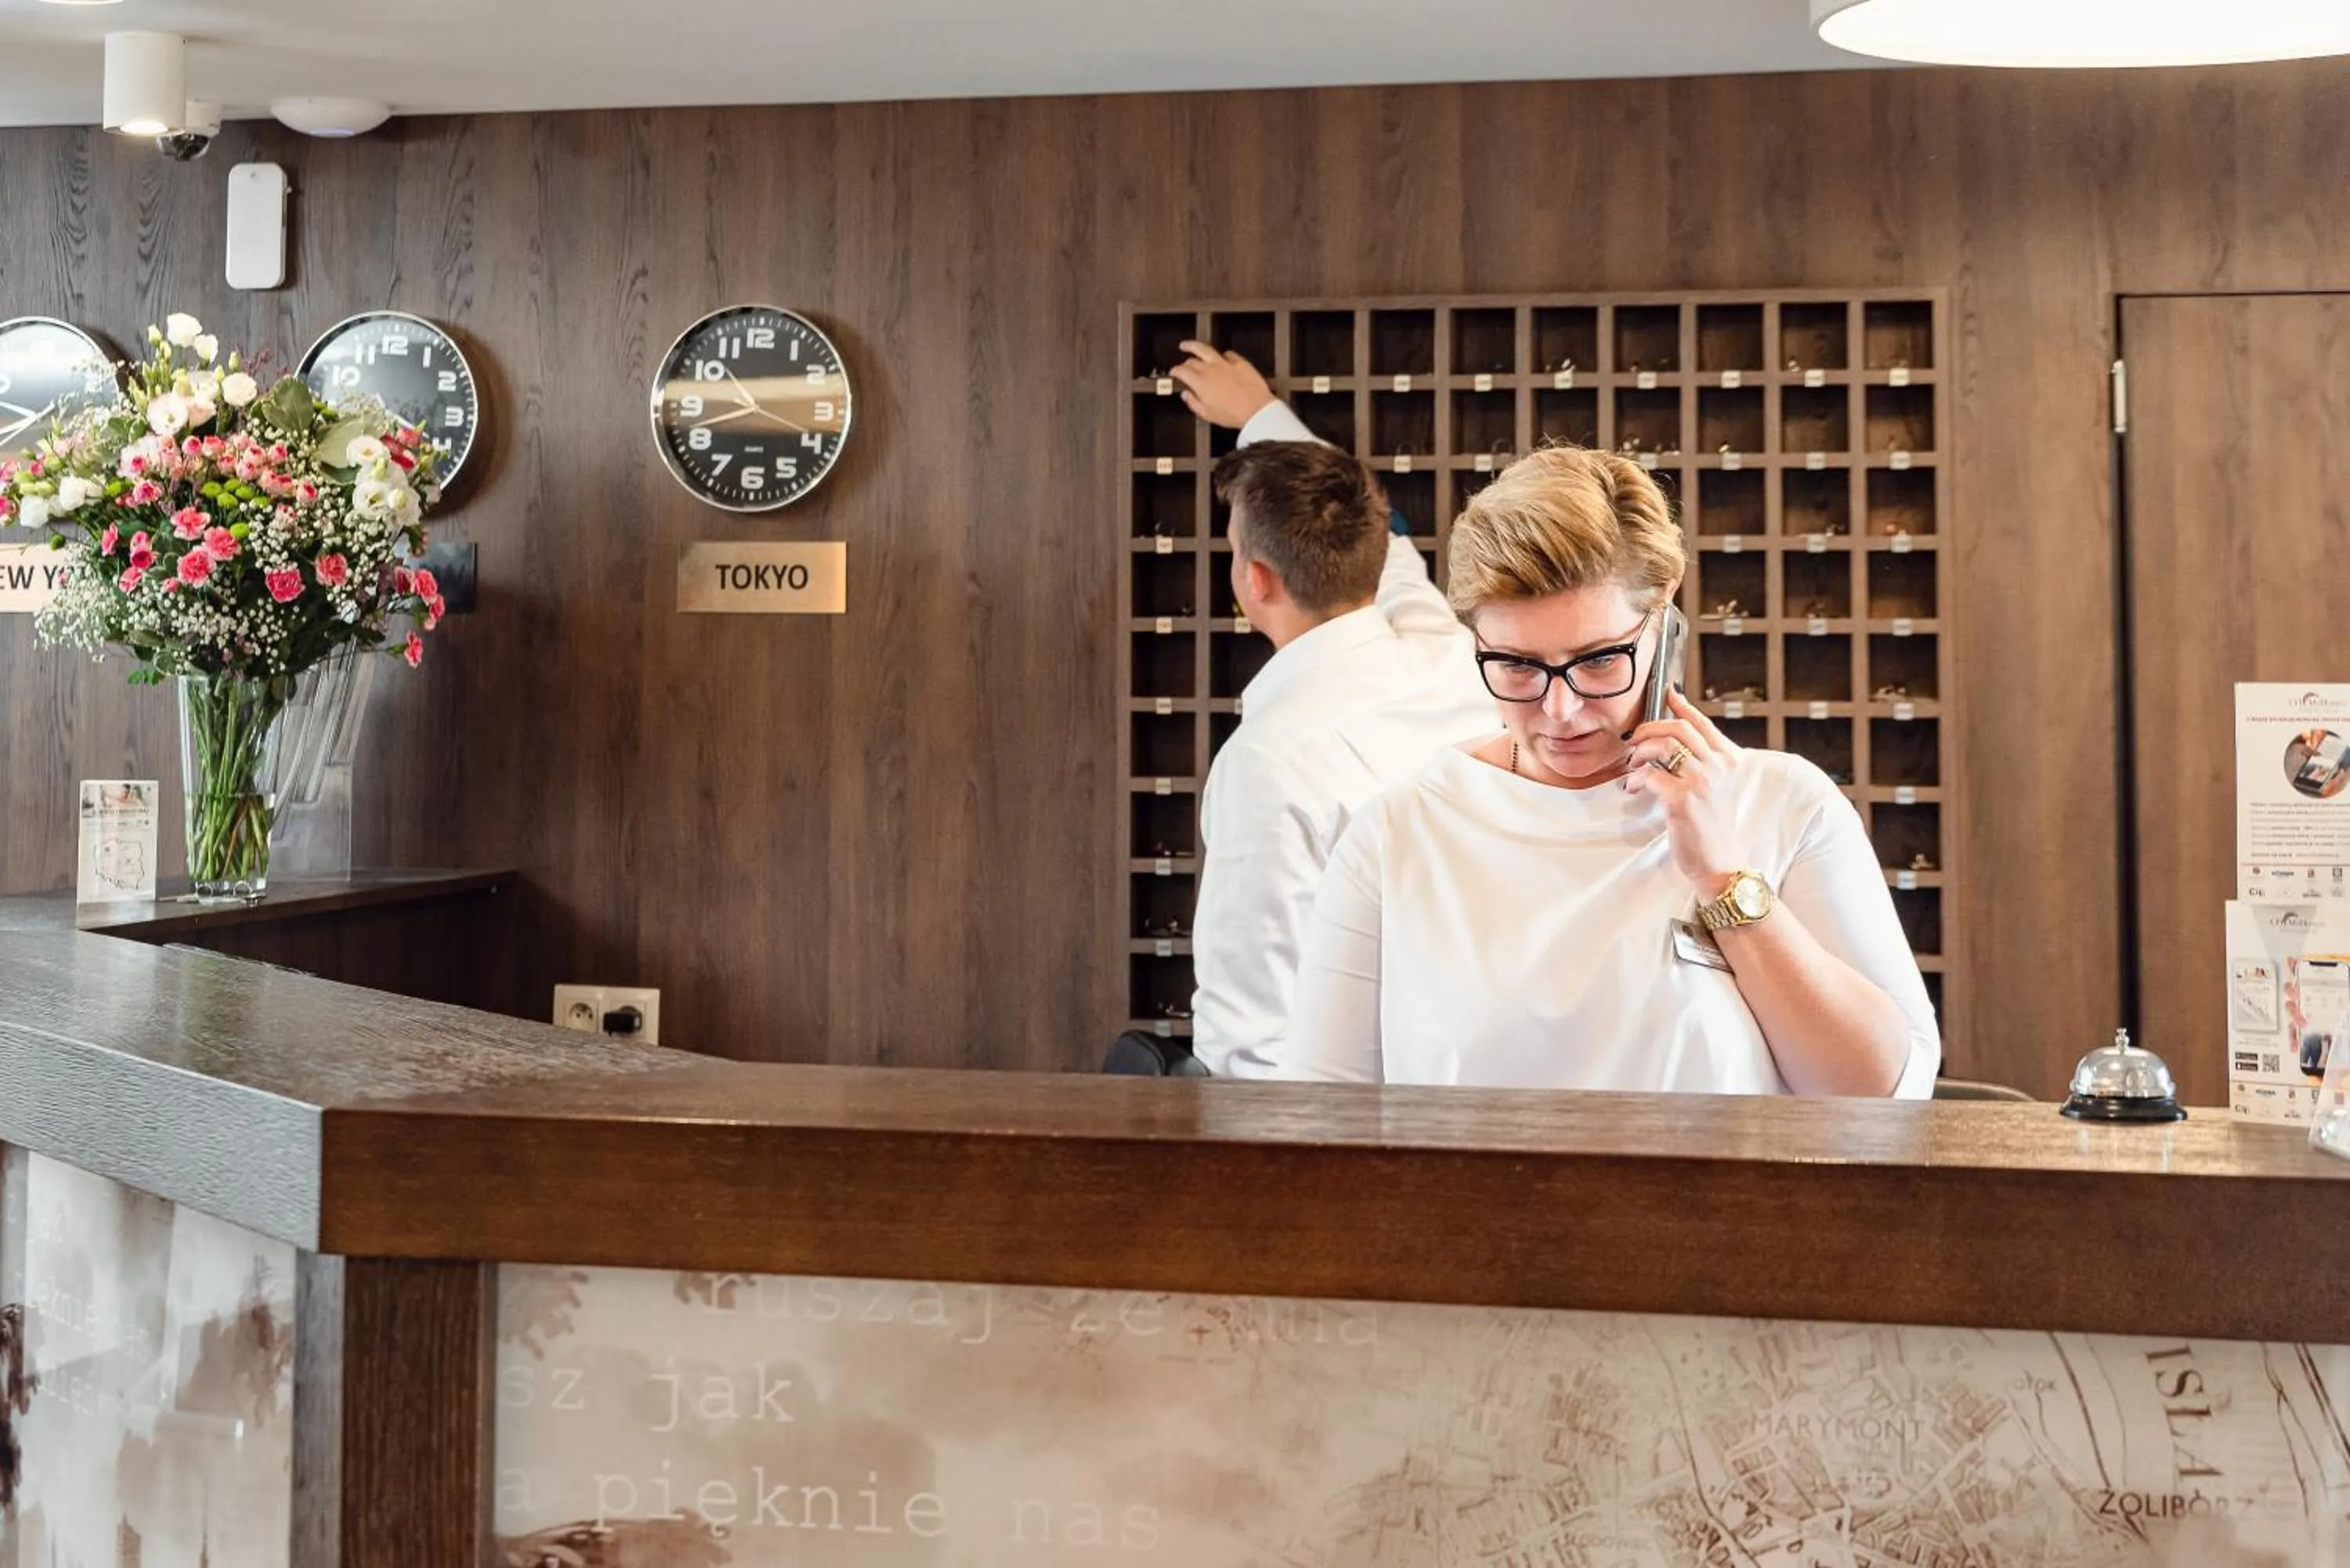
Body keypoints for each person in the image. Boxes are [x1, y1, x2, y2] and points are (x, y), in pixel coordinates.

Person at [1276, 446, 1939, 1096]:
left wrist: (1725, 880)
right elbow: (1320, 1116)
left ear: (1663, 627)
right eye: (1516, 665)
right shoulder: (1401, 830)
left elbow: (1884, 1093)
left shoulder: (1784, 804)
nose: (1560, 710)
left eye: (1597, 662)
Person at [1167, 343, 1495, 1078]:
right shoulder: (1451, 652)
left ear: (1254, 581)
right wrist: (1258, 416)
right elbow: (1397, 560)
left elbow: (1249, 1047)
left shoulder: (1267, 764)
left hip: (1350, 1125)